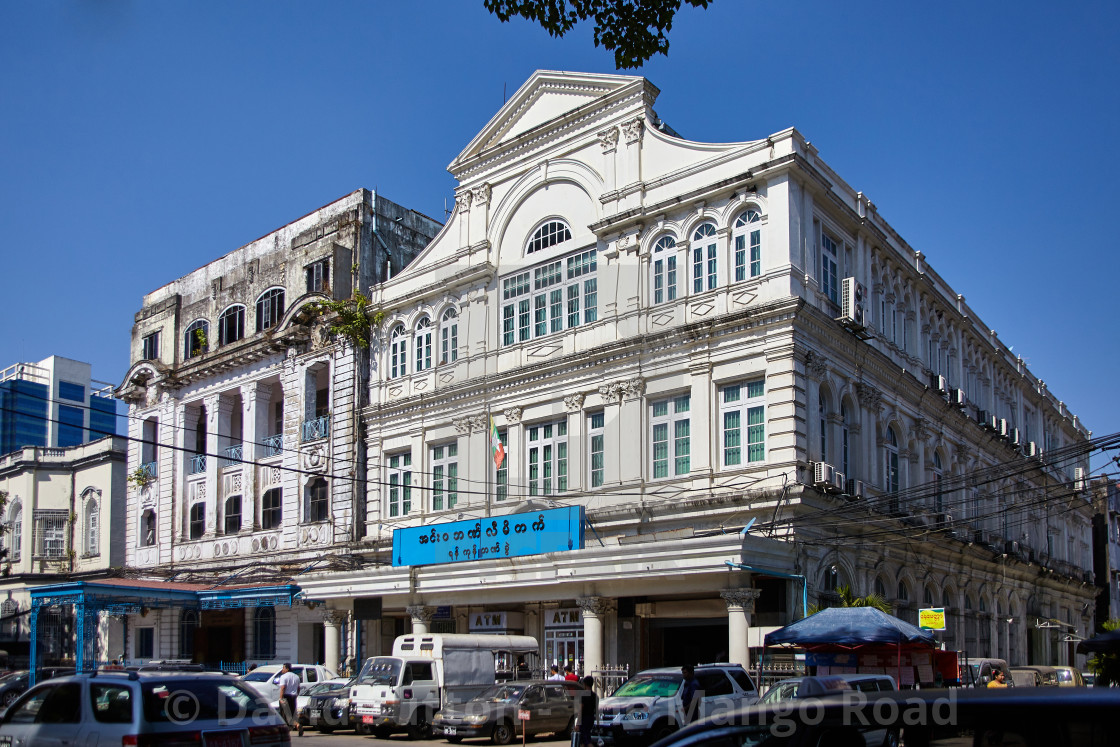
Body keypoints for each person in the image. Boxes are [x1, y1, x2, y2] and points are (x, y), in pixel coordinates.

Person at [276, 662, 303, 735]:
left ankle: (287, 730)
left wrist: (281, 698)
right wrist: (296, 695)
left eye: (283, 668)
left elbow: (283, 688)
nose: (282, 670)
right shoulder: (296, 677)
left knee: (285, 715)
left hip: (286, 696)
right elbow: (298, 688)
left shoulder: (283, 677)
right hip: (293, 697)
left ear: (287, 669)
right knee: (292, 713)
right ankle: (297, 725)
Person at [579, 675, 598, 747]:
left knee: (586, 740)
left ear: (585, 684)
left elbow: (580, 709)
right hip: (591, 718)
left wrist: (578, 723)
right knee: (585, 739)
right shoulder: (594, 695)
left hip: (584, 719)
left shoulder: (583, 695)